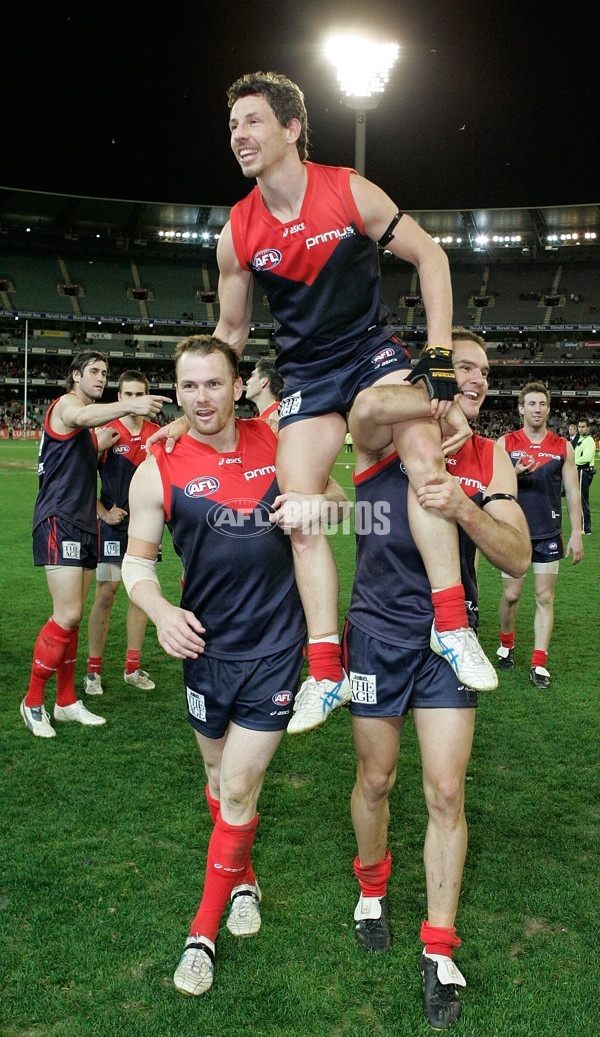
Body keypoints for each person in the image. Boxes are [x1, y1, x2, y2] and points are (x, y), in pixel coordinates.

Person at [153, 70, 497, 734]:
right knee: (297, 506)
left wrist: (435, 361)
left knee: (424, 453)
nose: (238, 135)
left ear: (291, 128)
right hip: (307, 371)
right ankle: (326, 670)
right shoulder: (238, 231)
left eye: (251, 121)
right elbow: (228, 333)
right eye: (231, 126)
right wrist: (190, 404)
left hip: (370, 349)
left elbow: (430, 257)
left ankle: (451, 626)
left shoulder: (347, 190)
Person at [122, 334, 346, 996]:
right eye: (189, 386)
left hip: (275, 650)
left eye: (213, 383)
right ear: (178, 389)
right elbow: (137, 563)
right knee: (220, 780)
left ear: (236, 383)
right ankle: (242, 873)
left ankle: (201, 933)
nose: (202, 397)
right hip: (203, 651)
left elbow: (340, 500)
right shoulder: (157, 465)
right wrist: (162, 611)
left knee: (241, 786)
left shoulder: (279, 444)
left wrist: (313, 503)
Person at [345, 330, 531, 1030]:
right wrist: (428, 404)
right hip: (374, 633)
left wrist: (460, 504)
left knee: (447, 789)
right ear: (433, 372)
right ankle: (371, 885)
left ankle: (439, 945)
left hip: (446, 642)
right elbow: (360, 404)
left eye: (484, 367)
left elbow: (516, 555)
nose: (476, 377)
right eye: (462, 365)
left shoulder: (491, 456)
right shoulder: (383, 430)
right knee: (376, 780)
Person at [21, 351, 171, 738]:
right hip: (60, 520)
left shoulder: (91, 431)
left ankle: (67, 701)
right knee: (68, 614)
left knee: (73, 616)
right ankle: (33, 701)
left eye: (104, 372)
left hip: (86, 525)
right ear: (75, 376)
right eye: (93, 372)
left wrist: (97, 443)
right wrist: (129, 405)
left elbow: (88, 434)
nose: (100, 377)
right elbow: (82, 416)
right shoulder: (68, 405)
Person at [496, 382, 583, 688]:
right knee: (511, 595)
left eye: (542, 404)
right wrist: (514, 473)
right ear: (521, 408)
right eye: (531, 404)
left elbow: (573, 494)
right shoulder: (504, 443)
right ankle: (506, 644)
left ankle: (538, 663)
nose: (537, 409)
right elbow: (491, 487)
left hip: (549, 532)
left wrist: (576, 533)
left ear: (548, 409)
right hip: (514, 532)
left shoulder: (563, 447)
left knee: (544, 596)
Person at [84, 370, 162, 697]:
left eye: (138, 394)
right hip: (111, 525)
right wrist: (103, 513)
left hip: (145, 527)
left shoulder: (157, 434)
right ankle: (93, 671)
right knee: (107, 591)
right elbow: (80, 479)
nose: (133, 400)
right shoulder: (106, 432)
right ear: (119, 398)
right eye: (127, 394)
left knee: (140, 594)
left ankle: (132, 667)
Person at [243, 357, 283, 433]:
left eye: (253, 375)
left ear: (264, 381)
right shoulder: (265, 417)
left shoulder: (276, 416)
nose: (248, 381)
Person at [574, 417, 595, 534]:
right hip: (580, 471)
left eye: (583, 427)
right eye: (579, 427)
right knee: (579, 499)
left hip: (583, 471)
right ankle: (583, 526)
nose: (580, 429)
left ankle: (585, 528)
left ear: (588, 428)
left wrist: (573, 462)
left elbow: (586, 458)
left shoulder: (589, 441)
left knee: (582, 500)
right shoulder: (581, 439)